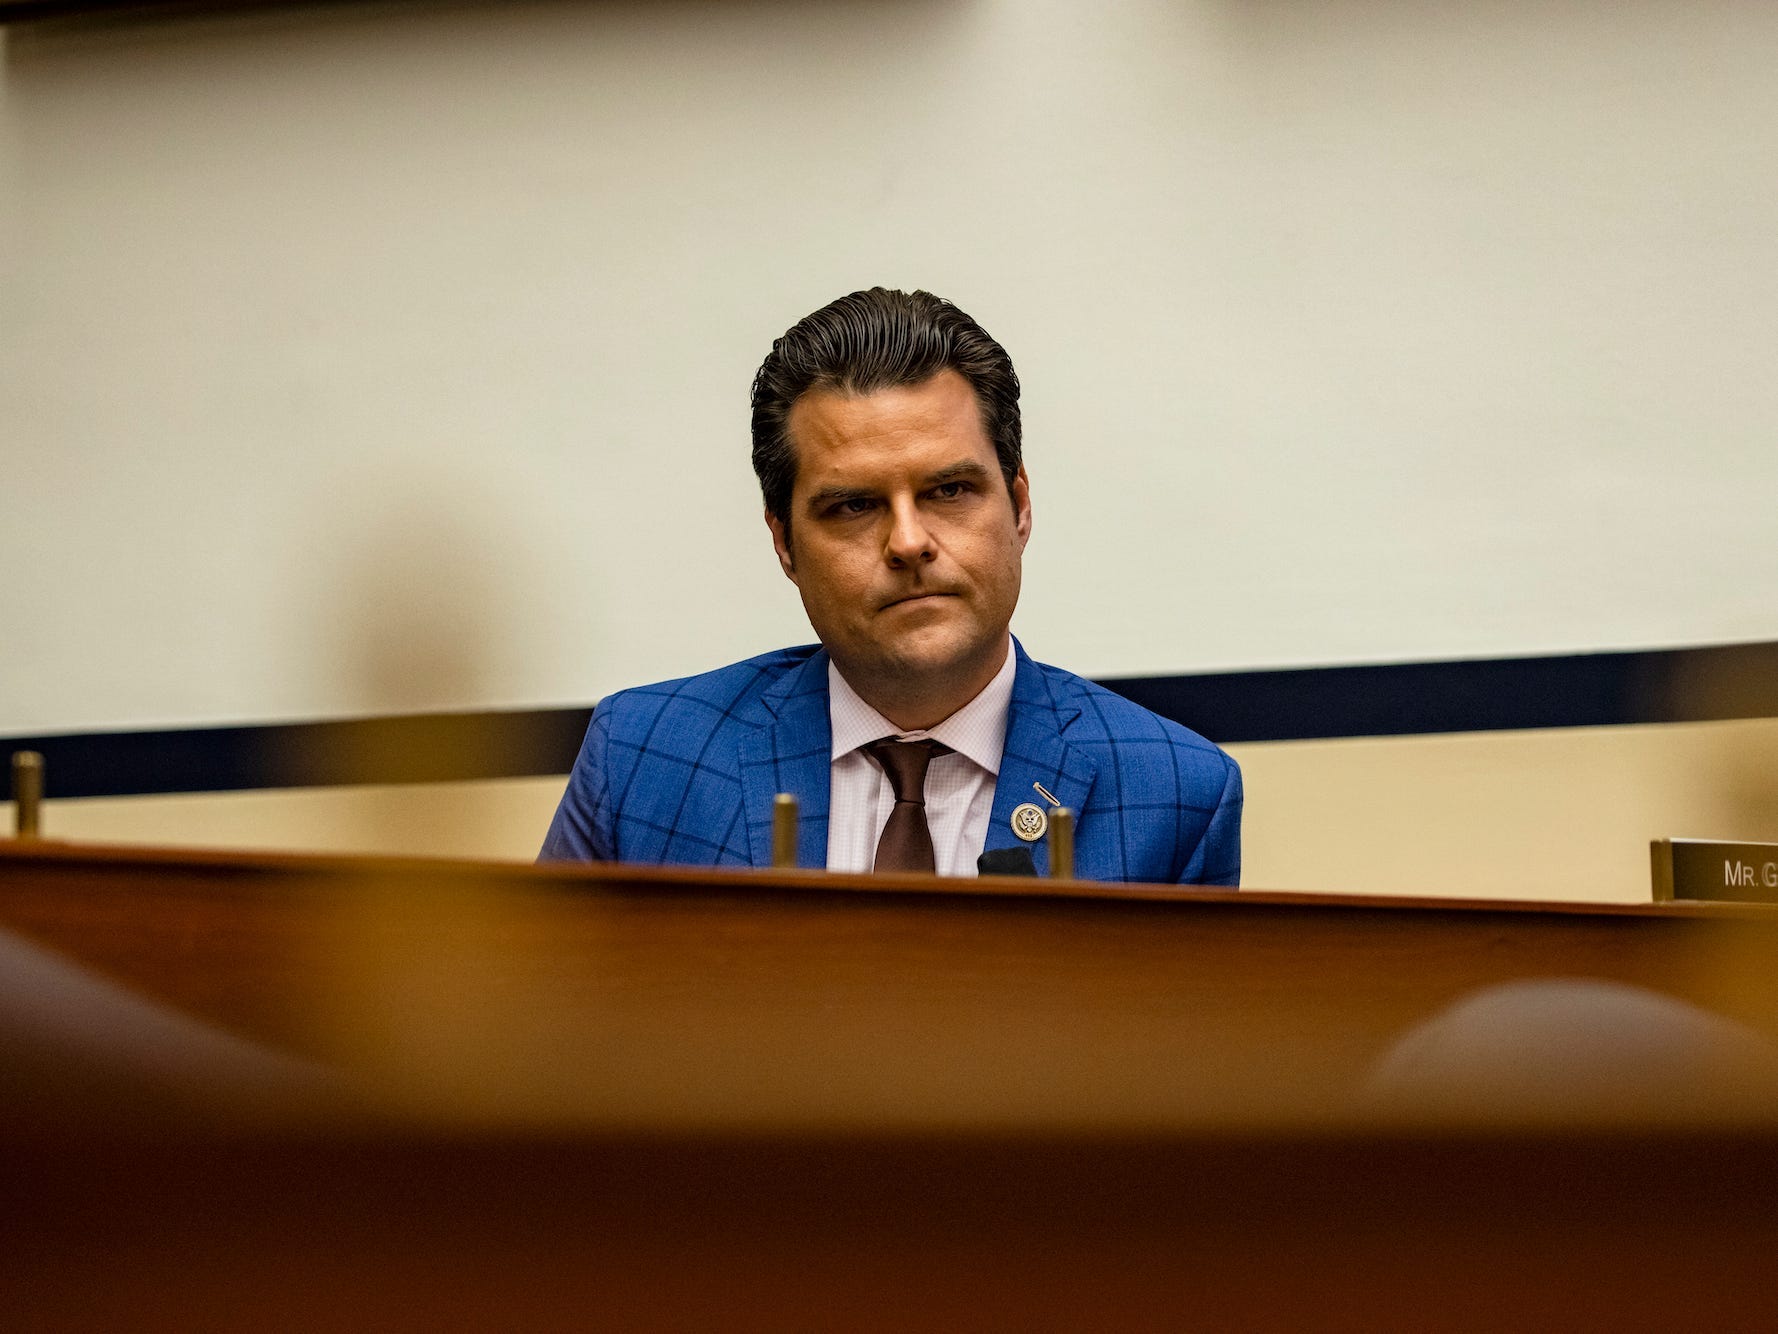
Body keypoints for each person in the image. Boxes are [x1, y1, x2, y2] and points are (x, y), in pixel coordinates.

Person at [540, 288, 1241, 882]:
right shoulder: (643, 760)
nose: (909, 542)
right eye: (853, 506)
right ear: (784, 541)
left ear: (1020, 505)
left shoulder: (1175, 793)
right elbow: (540, 1038)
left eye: (949, 490)